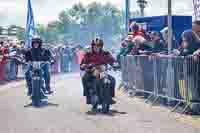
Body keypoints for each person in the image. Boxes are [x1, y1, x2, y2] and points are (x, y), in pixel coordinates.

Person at [80, 39, 117, 111]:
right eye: (95, 45)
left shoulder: (106, 53)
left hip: (102, 72)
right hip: (91, 72)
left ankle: (110, 97)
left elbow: (112, 60)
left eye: (99, 45)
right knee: (84, 78)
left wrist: (116, 64)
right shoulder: (88, 54)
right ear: (92, 46)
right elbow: (82, 64)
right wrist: (84, 66)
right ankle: (88, 96)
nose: (96, 47)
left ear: (101, 46)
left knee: (112, 80)